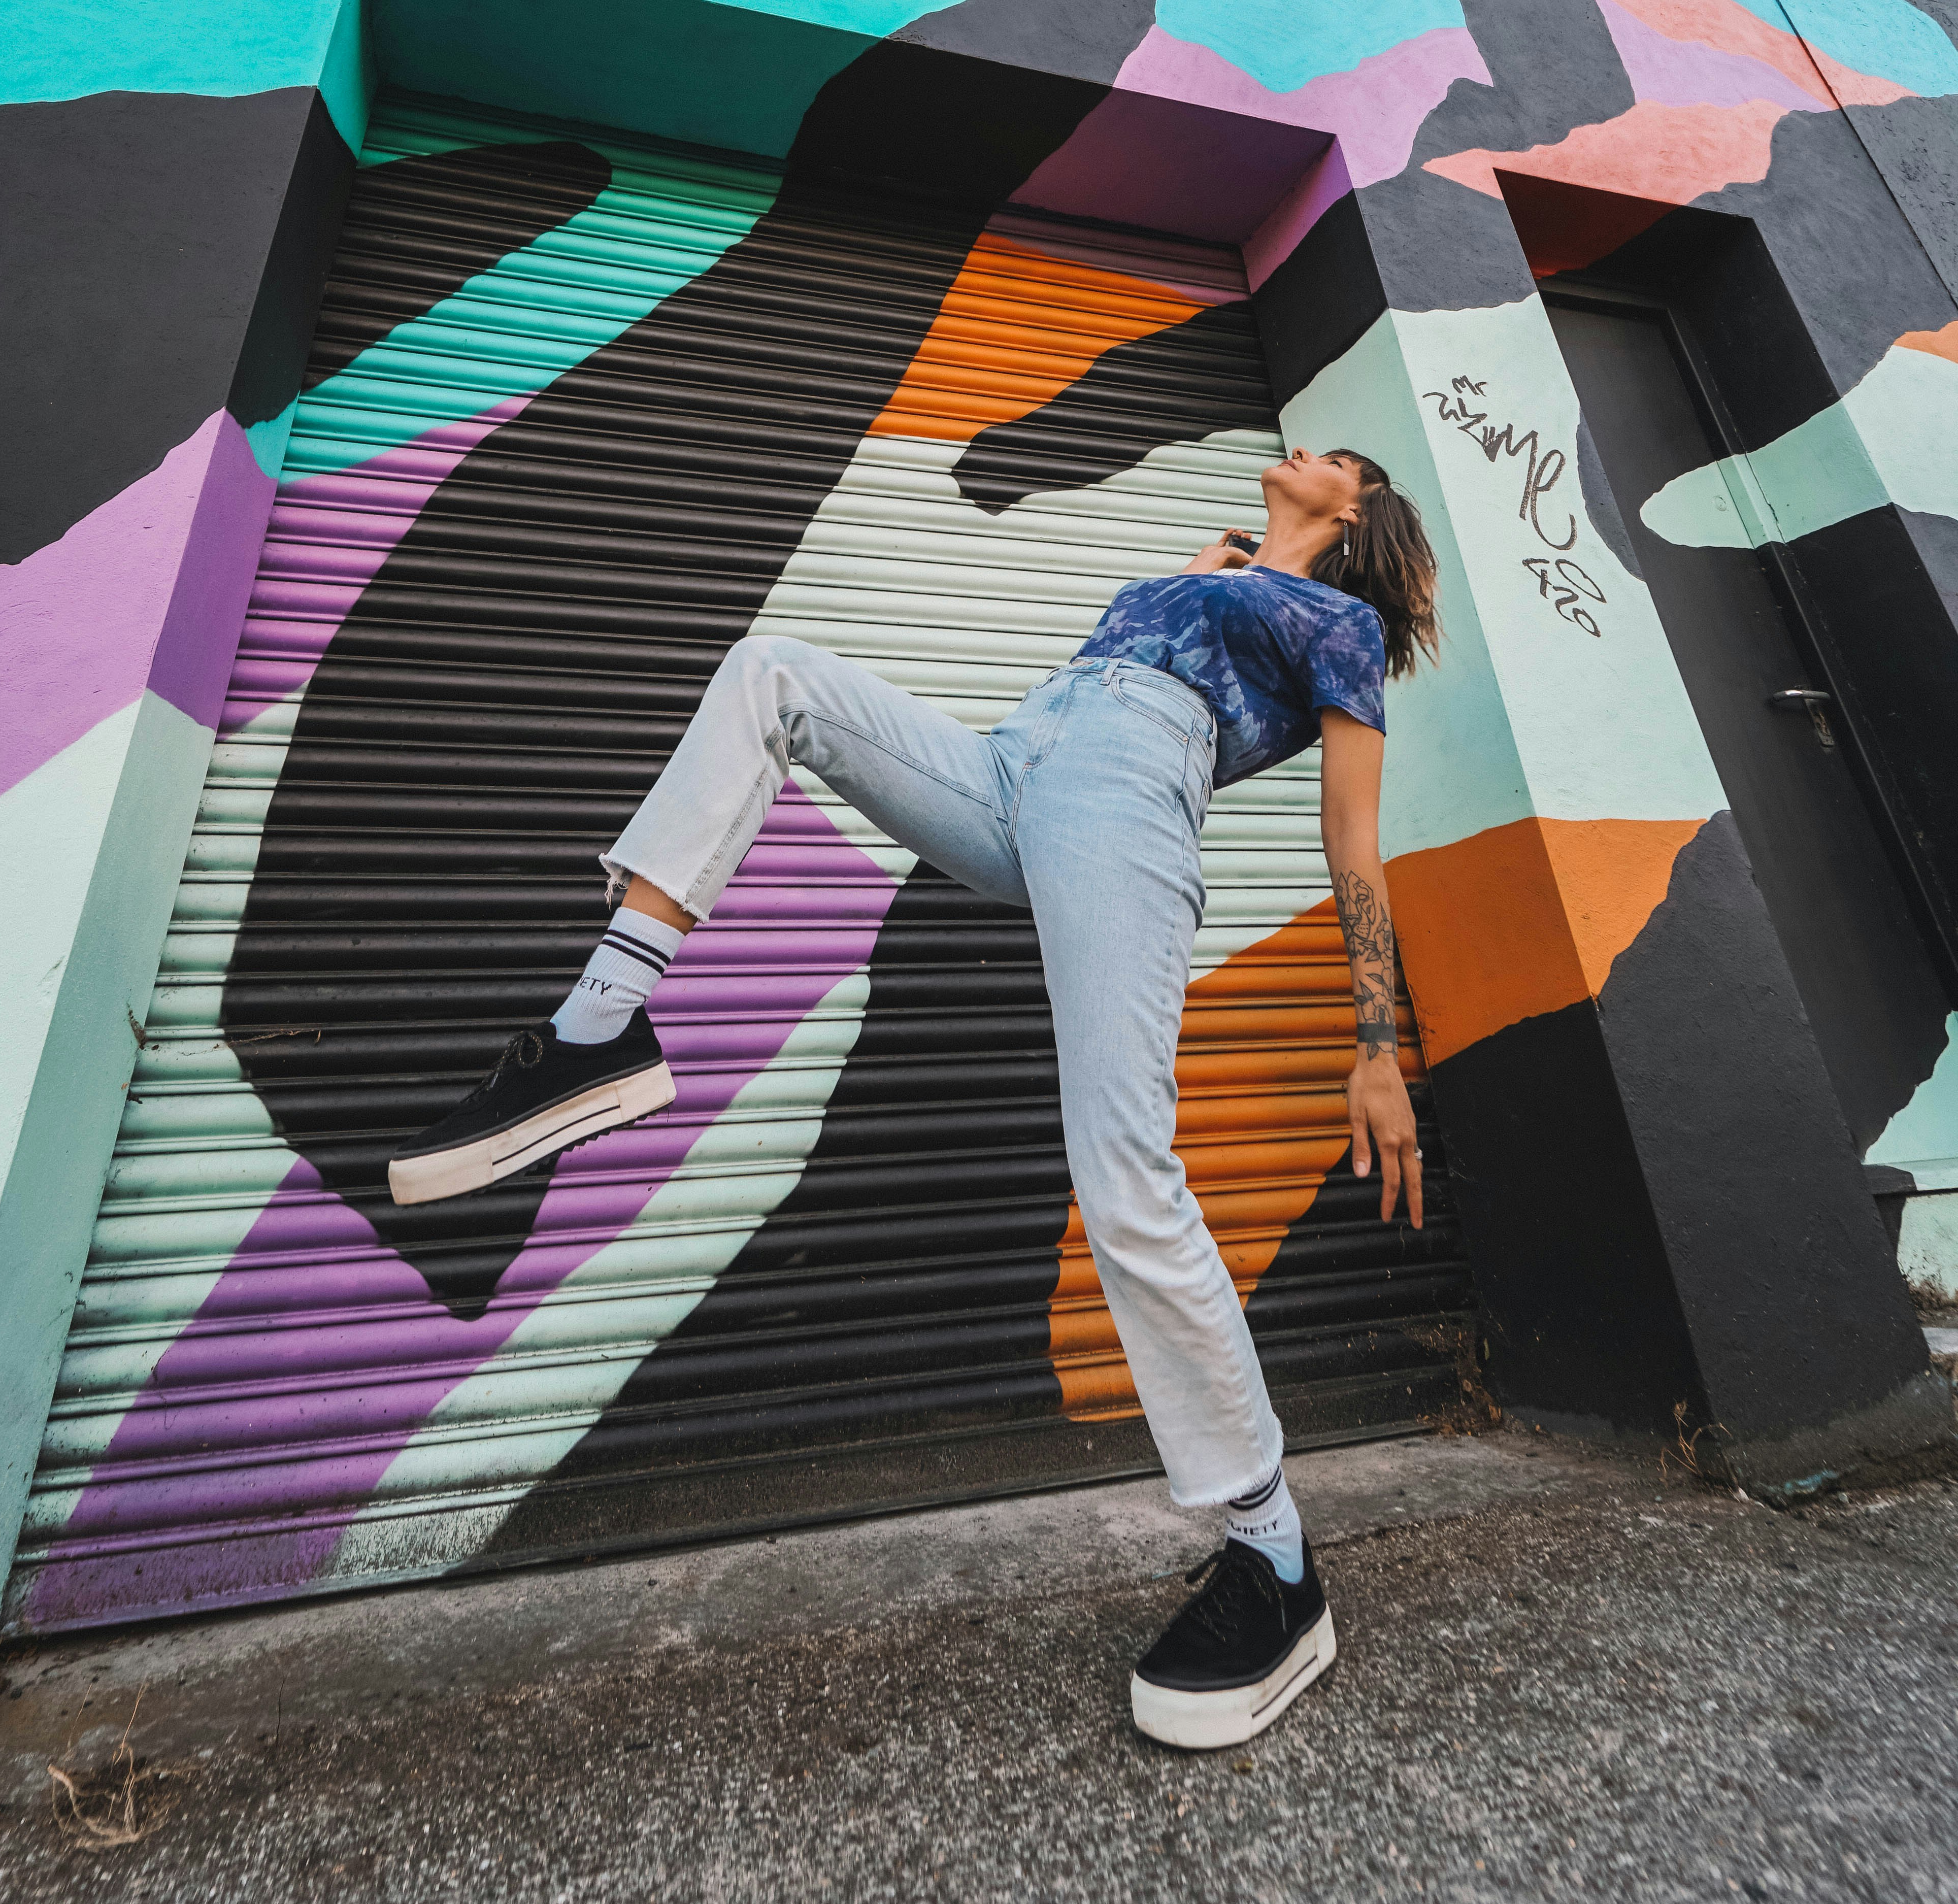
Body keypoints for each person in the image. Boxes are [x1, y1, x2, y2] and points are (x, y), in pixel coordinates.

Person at [390, 445, 1441, 1751]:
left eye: (1335, 456)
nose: (1304, 449)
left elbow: (1351, 834)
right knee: (775, 671)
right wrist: (1197, 575)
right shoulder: (1210, 565)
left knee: (1124, 1177)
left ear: (1355, 509)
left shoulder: (1336, 623)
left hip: (1125, 803)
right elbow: (1101, 676)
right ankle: (595, 1029)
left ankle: (1273, 1559)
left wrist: (1375, 1042)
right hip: (1019, 760)